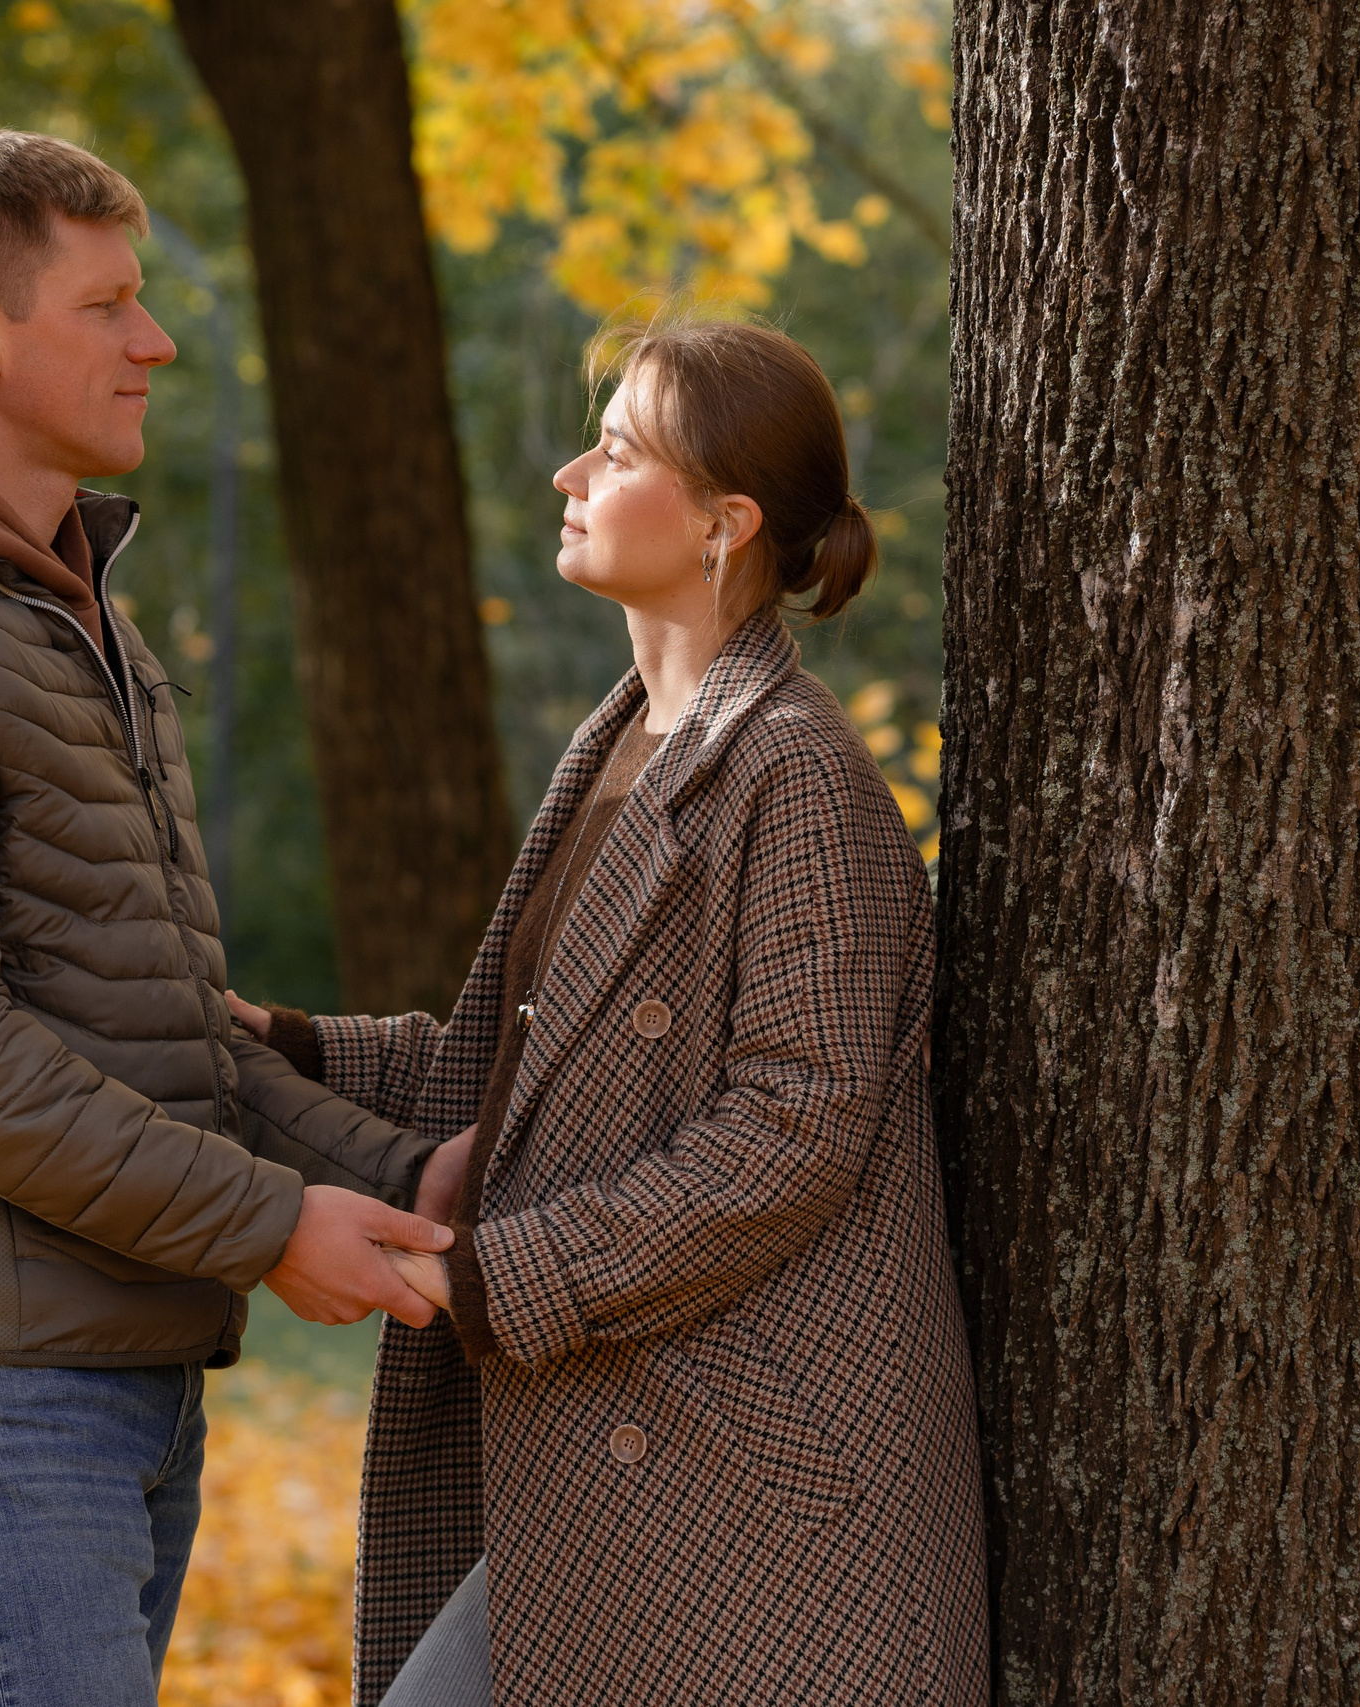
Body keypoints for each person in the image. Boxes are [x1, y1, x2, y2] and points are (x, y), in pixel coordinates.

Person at [0, 124, 465, 1707]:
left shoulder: (53, 617)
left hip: (97, 1355)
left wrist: (403, 1177)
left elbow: (152, 1033)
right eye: (108, 304)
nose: (155, 341)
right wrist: (271, 1225)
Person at [231, 314, 989, 1705]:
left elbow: (795, 1132)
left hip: (754, 1477)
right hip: (629, 1441)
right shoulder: (620, 743)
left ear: (722, 523)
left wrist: (493, 1279)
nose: (571, 475)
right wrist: (283, 1042)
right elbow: (525, 1068)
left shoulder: (797, 773)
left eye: (620, 451)